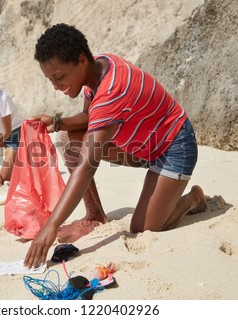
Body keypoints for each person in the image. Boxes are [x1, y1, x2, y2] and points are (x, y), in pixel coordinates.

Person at [24, 23, 207, 268]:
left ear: (80, 60)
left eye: (60, 77)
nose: (56, 86)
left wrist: (51, 226)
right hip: (142, 146)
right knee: (69, 138)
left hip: (173, 146)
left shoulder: (113, 90)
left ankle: (193, 199)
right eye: (50, 80)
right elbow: (91, 118)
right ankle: (95, 215)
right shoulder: (98, 65)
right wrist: (58, 122)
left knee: (144, 227)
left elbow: (86, 166)